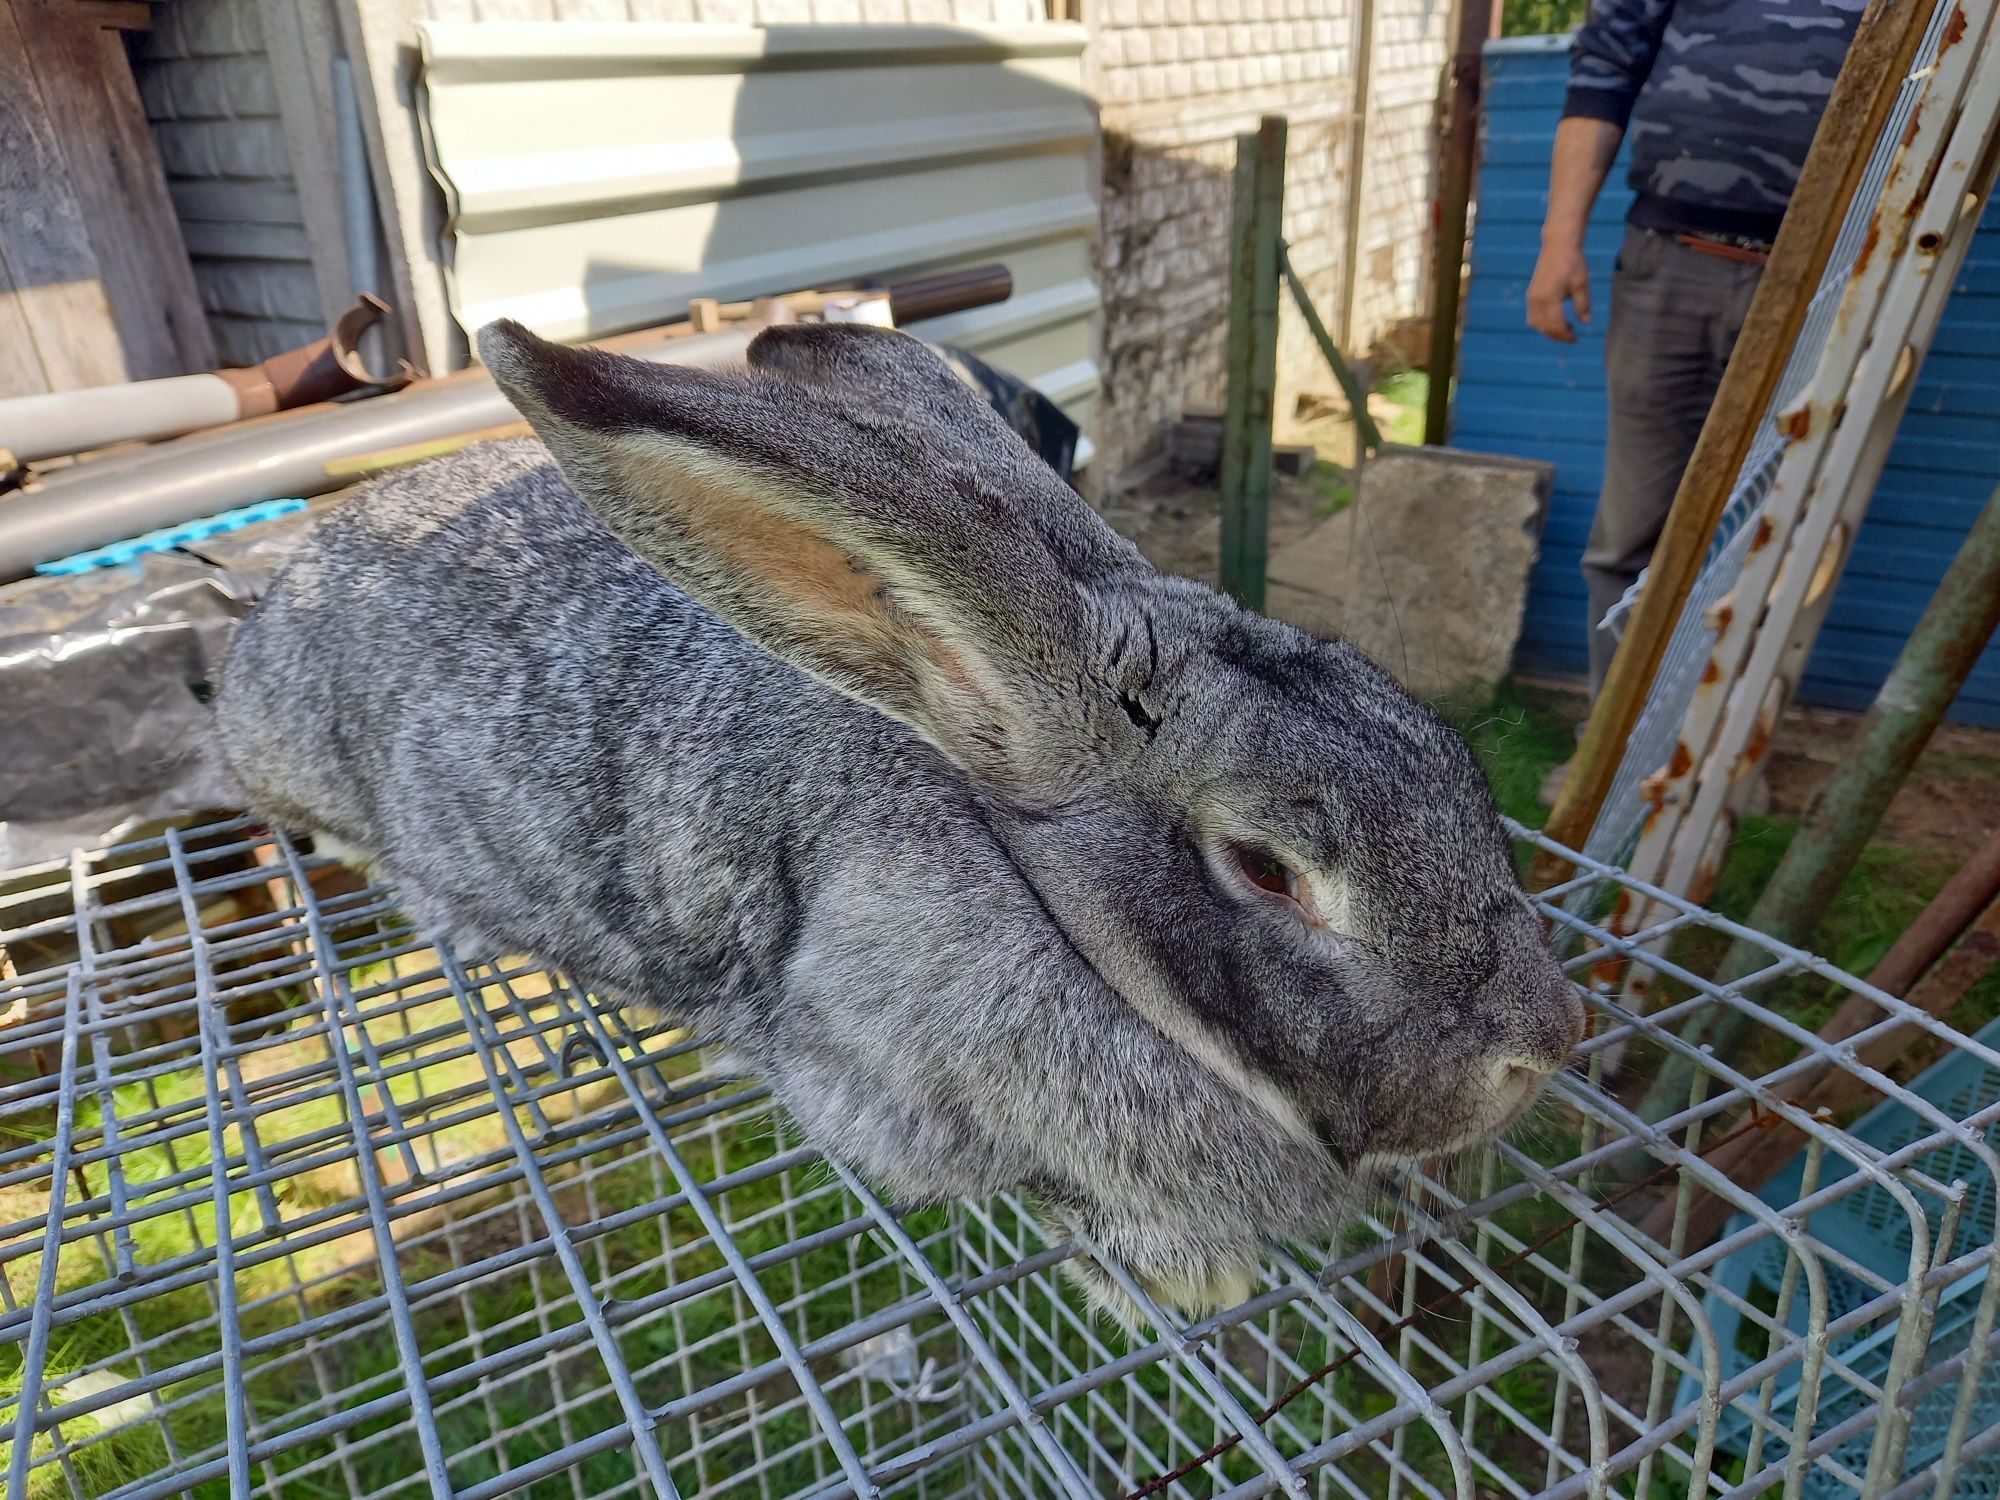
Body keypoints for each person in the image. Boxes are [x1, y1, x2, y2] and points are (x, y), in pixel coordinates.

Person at [1527, 0, 1864, 708]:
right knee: (1629, 538)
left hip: (1826, 277)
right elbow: (1604, 70)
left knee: (1774, 538)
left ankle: (1715, 761)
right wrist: (1560, 243)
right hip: (1670, 263)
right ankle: (1608, 753)